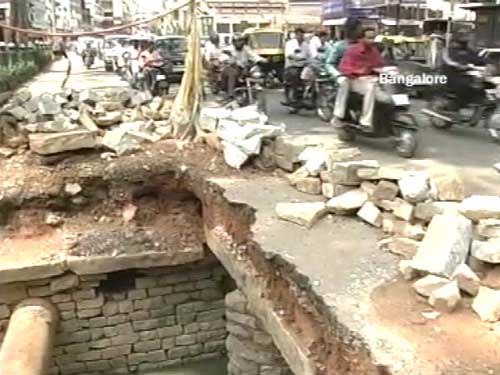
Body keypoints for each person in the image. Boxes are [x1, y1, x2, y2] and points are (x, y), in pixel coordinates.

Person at [337, 27, 387, 129]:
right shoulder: (352, 51)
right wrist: (359, 71)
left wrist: (385, 69)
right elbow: (344, 68)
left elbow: (381, 64)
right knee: (370, 87)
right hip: (355, 81)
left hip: (373, 81)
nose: (371, 40)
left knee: (386, 99)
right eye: (369, 38)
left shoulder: (374, 51)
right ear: (361, 39)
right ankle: (365, 121)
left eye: (373, 37)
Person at [325, 18, 362, 123]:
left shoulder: (363, 45)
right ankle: (339, 115)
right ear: (350, 30)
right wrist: (338, 75)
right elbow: (329, 64)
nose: (360, 31)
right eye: (358, 29)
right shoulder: (339, 46)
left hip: (361, 77)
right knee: (345, 83)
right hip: (345, 77)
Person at [442, 31, 488, 109]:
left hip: (465, 74)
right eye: (462, 39)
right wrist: (458, 65)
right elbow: (448, 61)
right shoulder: (448, 50)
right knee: (465, 84)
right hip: (451, 75)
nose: (464, 42)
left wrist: (489, 63)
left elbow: (478, 59)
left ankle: (480, 104)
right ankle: (456, 106)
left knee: (482, 83)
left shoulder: (468, 51)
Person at [220, 33, 264, 101]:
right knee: (232, 73)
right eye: (237, 41)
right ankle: (230, 95)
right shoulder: (229, 49)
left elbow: (254, 56)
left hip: (242, 69)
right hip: (230, 69)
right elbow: (222, 58)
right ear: (233, 42)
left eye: (240, 40)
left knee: (254, 72)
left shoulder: (246, 48)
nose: (239, 43)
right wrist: (227, 58)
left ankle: (254, 90)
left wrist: (263, 60)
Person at [283, 28, 311, 105]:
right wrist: (297, 58)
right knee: (294, 76)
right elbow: (289, 55)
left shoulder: (306, 45)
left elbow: (310, 55)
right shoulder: (290, 43)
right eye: (298, 34)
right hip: (292, 65)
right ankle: (289, 97)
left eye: (302, 34)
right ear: (295, 35)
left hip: (304, 65)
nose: (300, 36)